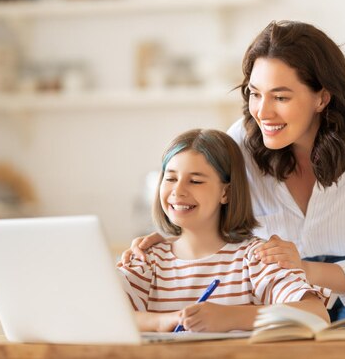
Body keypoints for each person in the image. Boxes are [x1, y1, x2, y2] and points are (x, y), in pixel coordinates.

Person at [122, 20, 345, 323]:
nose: (262, 111)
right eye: (255, 93)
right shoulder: (240, 143)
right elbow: (210, 203)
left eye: (281, 97)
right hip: (279, 280)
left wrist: (305, 267)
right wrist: (170, 236)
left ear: (322, 98)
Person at [117, 128, 330, 332]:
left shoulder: (255, 259)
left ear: (226, 193)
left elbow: (316, 314)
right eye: (170, 178)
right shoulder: (146, 260)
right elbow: (98, 312)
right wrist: (163, 321)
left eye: (195, 181)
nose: (178, 191)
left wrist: (231, 317)